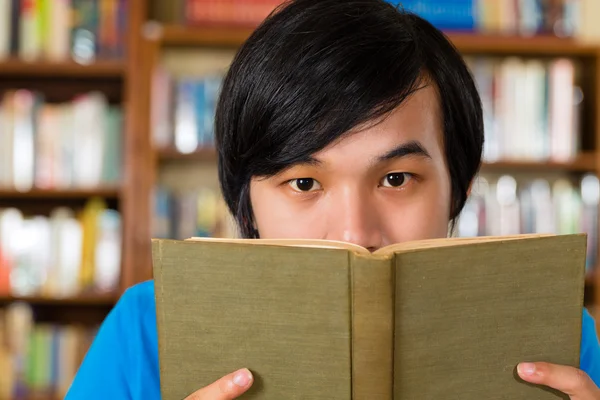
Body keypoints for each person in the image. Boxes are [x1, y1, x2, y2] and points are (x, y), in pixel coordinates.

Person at [65, 0, 600, 398]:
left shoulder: (559, 334)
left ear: (458, 187)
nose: (354, 232)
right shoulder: (144, 327)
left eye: (396, 179)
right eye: (304, 183)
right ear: (246, 204)